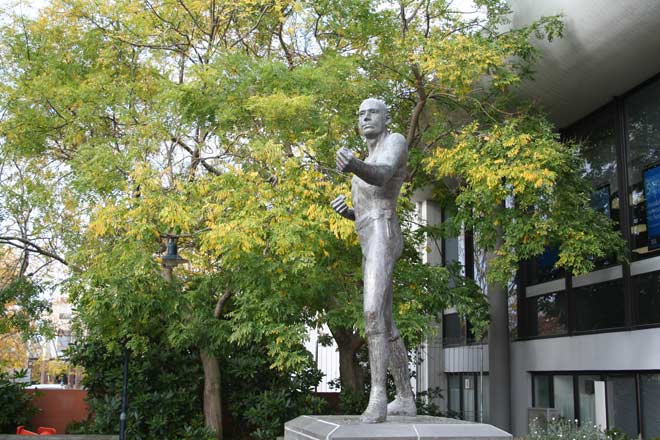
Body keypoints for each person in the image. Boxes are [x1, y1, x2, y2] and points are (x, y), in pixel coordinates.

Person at [330, 98, 416, 423]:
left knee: (371, 312)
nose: (365, 117)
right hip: (368, 234)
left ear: (386, 117)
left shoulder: (394, 142)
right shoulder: (365, 157)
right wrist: (349, 213)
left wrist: (353, 166)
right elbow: (365, 210)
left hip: (384, 230)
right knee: (386, 321)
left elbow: (382, 177)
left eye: (372, 113)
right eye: (360, 113)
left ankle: (378, 396)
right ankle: (405, 398)